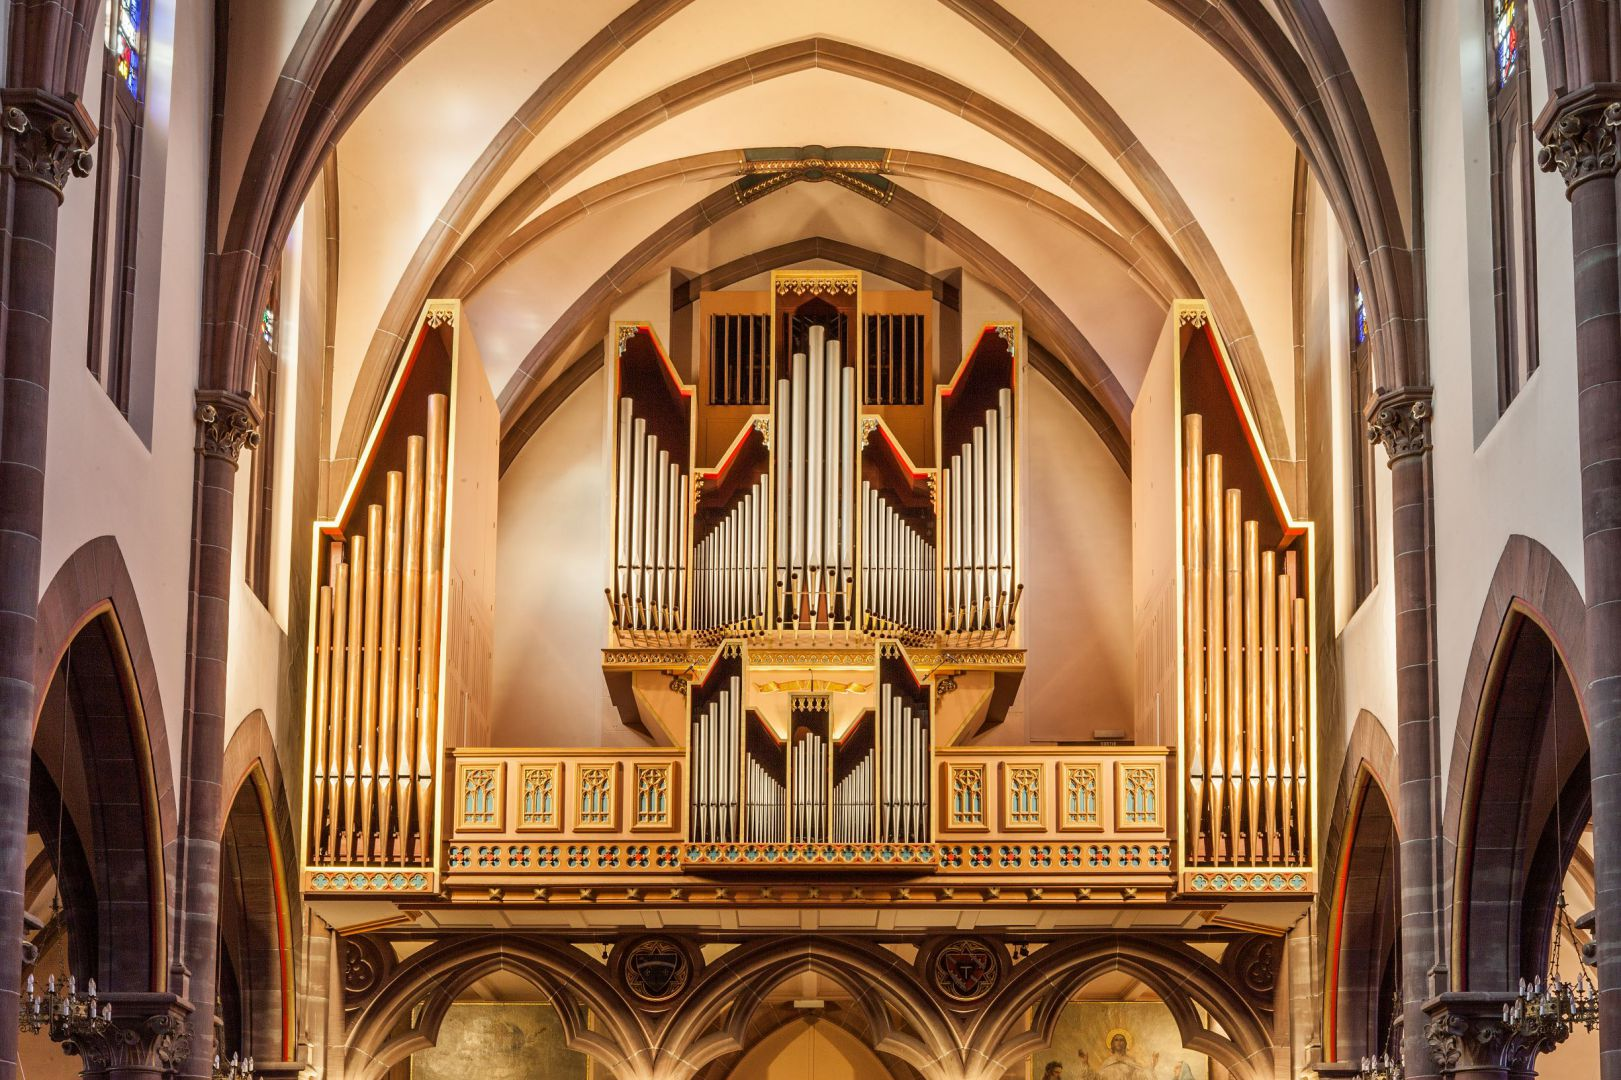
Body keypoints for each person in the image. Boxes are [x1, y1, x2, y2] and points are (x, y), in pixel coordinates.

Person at [1075, 1031, 1160, 1080]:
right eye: (1116, 1040)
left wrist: (1153, 1065)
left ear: (1125, 1043)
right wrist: (1085, 1063)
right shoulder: (1108, 1062)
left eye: (1121, 1040)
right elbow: (1097, 1078)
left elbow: (1141, 1075)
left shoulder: (1130, 1062)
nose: (1119, 1042)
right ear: (1112, 1044)